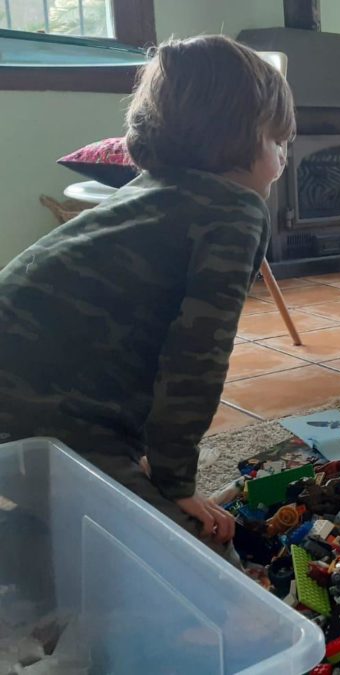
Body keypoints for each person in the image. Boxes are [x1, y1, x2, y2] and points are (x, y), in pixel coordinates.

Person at [0, 35, 294, 556]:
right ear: (241, 139)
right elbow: (194, 363)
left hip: (37, 401)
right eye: (278, 142)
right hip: (44, 415)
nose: (283, 158)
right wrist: (176, 481)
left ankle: (58, 520)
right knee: (200, 555)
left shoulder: (147, 188)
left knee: (102, 504)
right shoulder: (234, 212)